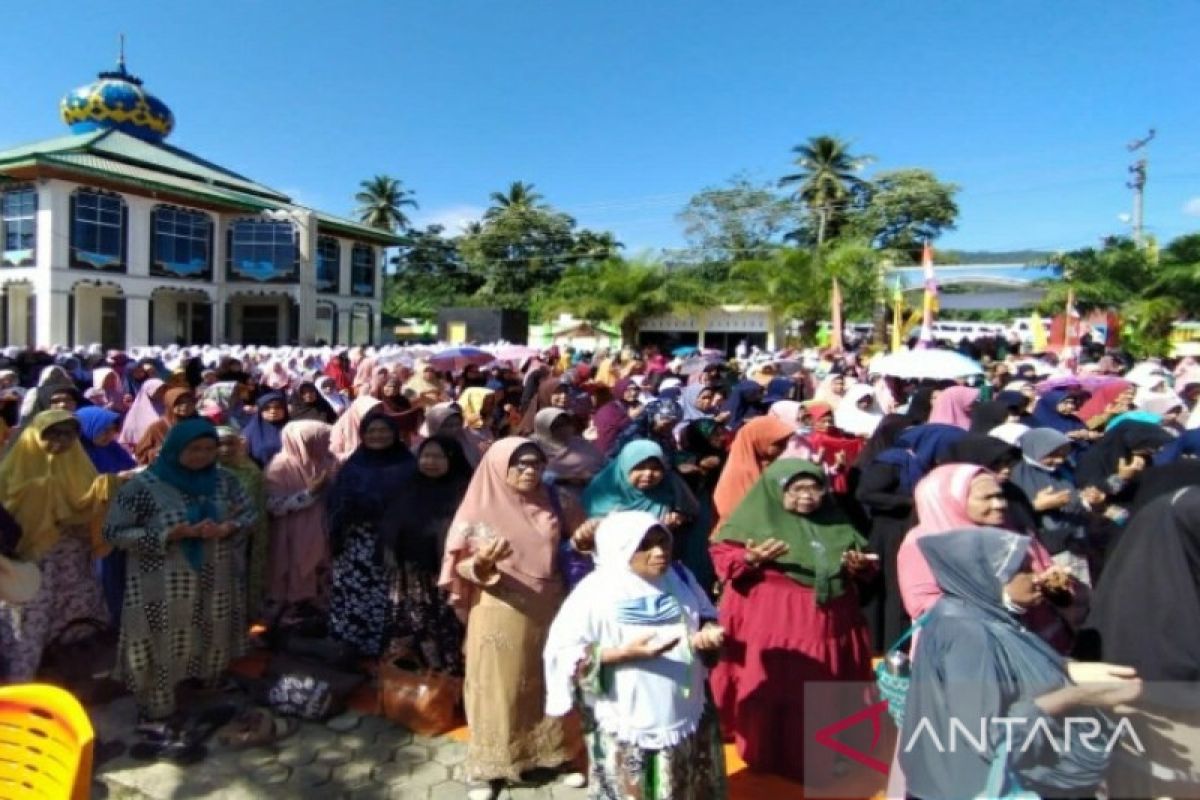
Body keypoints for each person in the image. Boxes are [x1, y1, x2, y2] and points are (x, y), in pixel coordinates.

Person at [900, 527, 1141, 800]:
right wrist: (1076, 695)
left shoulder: (975, 613)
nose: (1037, 577)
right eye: (1023, 570)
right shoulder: (969, 636)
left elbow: (1011, 668)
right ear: (986, 577)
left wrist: (1067, 670)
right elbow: (988, 735)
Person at [709, 460, 874, 781]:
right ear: (775, 489)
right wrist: (751, 558)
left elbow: (862, 558)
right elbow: (723, 558)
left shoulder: (834, 519)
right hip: (776, 622)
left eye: (815, 487)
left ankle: (823, 750)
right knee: (783, 689)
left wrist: (859, 567)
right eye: (796, 488)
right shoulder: (751, 520)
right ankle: (773, 752)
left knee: (822, 686)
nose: (808, 496)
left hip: (833, 619)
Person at [544, 511, 727, 800]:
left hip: (685, 702)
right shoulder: (594, 593)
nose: (660, 553)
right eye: (645, 545)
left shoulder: (679, 576)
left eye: (663, 542)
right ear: (620, 547)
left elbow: (704, 614)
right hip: (626, 711)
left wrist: (709, 634)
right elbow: (561, 653)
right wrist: (622, 654)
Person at [438, 438, 583, 800]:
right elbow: (460, 568)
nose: (529, 470)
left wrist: (587, 536)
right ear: (498, 467)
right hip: (499, 608)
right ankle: (488, 767)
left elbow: (580, 539)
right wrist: (482, 564)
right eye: (519, 464)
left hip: (549, 606)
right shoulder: (477, 508)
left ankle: (552, 755)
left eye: (535, 463)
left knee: (546, 680)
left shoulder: (555, 500)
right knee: (497, 686)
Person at [103, 419, 257, 741]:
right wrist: (167, 534)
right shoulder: (143, 486)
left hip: (214, 577)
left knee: (210, 630)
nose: (202, 456)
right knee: (162, 641)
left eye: (209, 449)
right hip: (159, 585)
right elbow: (114, 533)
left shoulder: (224, 481)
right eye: (194, 449)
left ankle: (204, 688)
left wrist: (228, 528)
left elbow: (247, 513)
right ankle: (155, 709)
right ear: (175, 449)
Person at [0, 410, 115, 680]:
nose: (61, 441)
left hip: (72, 561)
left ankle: (70, 677)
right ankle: (20, 685)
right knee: (28, 623)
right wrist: (40, 492)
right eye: (53, 433)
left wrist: (104, 490)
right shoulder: (12, 470)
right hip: (29, 562)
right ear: (34, 435)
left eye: (68, 434)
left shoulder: (80, 465)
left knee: (75, 620)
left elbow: (89, 505)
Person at [377, 436, 473, 674]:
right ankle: (408, 679)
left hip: (445, 578)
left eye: (438, 456)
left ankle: (445, 676)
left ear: (452, 459)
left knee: (444, 627)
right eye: (426, 456)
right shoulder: (409, 487)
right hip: (409, 578)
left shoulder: (466, 493)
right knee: (411, 626)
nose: (431, 462)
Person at [326, 412, 416, 657]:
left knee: (385, 597)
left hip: (392, 545)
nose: (378, 435)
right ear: (362, 435)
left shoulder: (408, 465)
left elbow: (416, 504)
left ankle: (381, 649)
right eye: (371, 431)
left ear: (395, 433)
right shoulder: (354, 464)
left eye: (384, 430)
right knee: (353, 594)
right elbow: (336, 501)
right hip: (355, 545)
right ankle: (347, 648)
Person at [582, 439, 711, 595]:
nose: (648, 474)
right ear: (625, 466)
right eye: (639, 468)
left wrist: (678, 517)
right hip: (617, 573)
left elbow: (692, 511)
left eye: (656, 469)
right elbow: (594, 533)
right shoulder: (603, 488)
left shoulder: (669, 483)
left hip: (660, 567)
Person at [264, 421, 337, 615]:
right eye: (320, 441)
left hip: (320, 531)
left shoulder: (326, 460)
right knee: (291, 578)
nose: (326, 445)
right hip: (292, 535)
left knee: (319, 576)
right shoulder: (279, 467)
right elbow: (274, 505)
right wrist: (310, 493)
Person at [76, 406, 138, 624]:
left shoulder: (112, 448)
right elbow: (81, 490)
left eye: (112, 431)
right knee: (105, 571)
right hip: (95, 522)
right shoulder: (78, 455)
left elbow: (131, 466)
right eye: (103, 431)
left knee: (121, 567)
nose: (108, 436)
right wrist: (115, 479)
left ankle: (125, 613)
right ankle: (110, 617)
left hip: (121, 516)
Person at [215, 426, 270, 622]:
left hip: (242, 537)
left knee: (237, 581)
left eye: (230, 444)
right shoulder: (201, 472)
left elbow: (258, 506)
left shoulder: (250, 471)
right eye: (219, 444)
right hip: (208, 538)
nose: (225, 449)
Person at [711, 415, 795, 527]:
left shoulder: (768, 465)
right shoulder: (742, 472)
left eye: (785, 443)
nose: (784, 448)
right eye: (778, 444)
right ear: (759, 440)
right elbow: (737, 514)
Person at [531, 408, 605, 505]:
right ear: (543, 427)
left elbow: (602, 462)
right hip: (560, 500)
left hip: (599, 491)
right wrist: (569, 479)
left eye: (566, 423)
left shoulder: (578, 442)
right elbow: (535, 475)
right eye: (556, 426)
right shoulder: (534, 448)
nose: (563, 428)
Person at [134, 386, 197, 466]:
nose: (185, 406)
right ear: (169, 404)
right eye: (179, 403)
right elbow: (140, 453)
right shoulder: (158, 427)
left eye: (189, 402)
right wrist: (157, 452)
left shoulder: (200, 422)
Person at [242, 391, 290, 468]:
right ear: (260, 411)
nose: (273, 411)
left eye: (278, 407)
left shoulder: (294, 429)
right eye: (267, 408)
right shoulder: (250, 432)